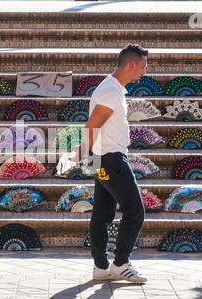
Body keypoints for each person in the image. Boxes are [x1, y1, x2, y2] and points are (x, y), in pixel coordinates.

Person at [69, 44, 148, 283]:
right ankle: (121, 263)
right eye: (143, 66)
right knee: (135, 211)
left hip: (102, 156)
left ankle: (101, 267)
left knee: (102, 214)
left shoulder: (111, 87)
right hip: (110, 158)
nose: (144, 72)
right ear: (131, 64)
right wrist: (81, 151)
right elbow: (92, 126)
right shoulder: (111, 92)